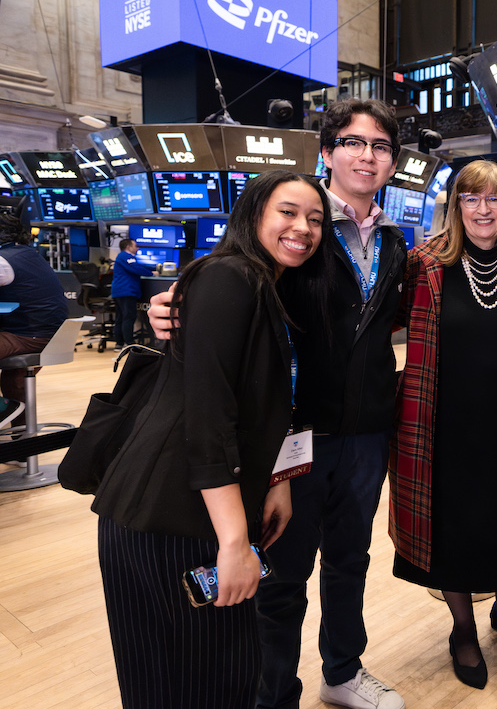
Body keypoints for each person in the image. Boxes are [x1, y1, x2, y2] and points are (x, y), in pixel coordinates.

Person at [148, 98, 408, 709]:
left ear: (392, 163)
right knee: (284, 575)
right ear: (328, 152)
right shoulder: (300, 227)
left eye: (380, 146)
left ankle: (342, 672)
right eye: (353, 142)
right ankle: (273, 695)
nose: (366, 155)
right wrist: (166, 305)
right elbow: (230, 279)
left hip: (367, 434)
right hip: (297, 436)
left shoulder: (397, 244)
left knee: (350, 559)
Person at [91, 170, 330, 708]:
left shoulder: (273, 286)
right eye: (287, 212)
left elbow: (277, 403)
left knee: (220, 676)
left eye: (315, 219)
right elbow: (209, 415)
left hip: (208, 506)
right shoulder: (230, 277)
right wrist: (232, 542)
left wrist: (280, 483)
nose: (303, 228)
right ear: (253, 215)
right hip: (170, 514)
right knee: (188, 684)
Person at [390, 160, 497, 690]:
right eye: (471, 199)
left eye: (493, 199)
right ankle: (462, 628)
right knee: (451, 528)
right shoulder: (423, 262)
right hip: (442, 422)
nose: (483, 209)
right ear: (456, 206)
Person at [0, 209, 68, 408]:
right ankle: (19, 435)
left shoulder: (4, 261)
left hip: (30, 336)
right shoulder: (27, 253)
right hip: (48, 334)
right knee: (13, 382)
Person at [111, 238, 155, 350]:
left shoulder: (122, 257)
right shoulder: (126, 256)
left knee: (121, 317)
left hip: (119, 291)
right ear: (128, 247)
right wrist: (152, 273)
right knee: (128, 317)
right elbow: (136, 269)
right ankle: (129, 343)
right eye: (135, 246)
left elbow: (139, 266)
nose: (137, 248)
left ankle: (119, 343)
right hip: (126, 291)